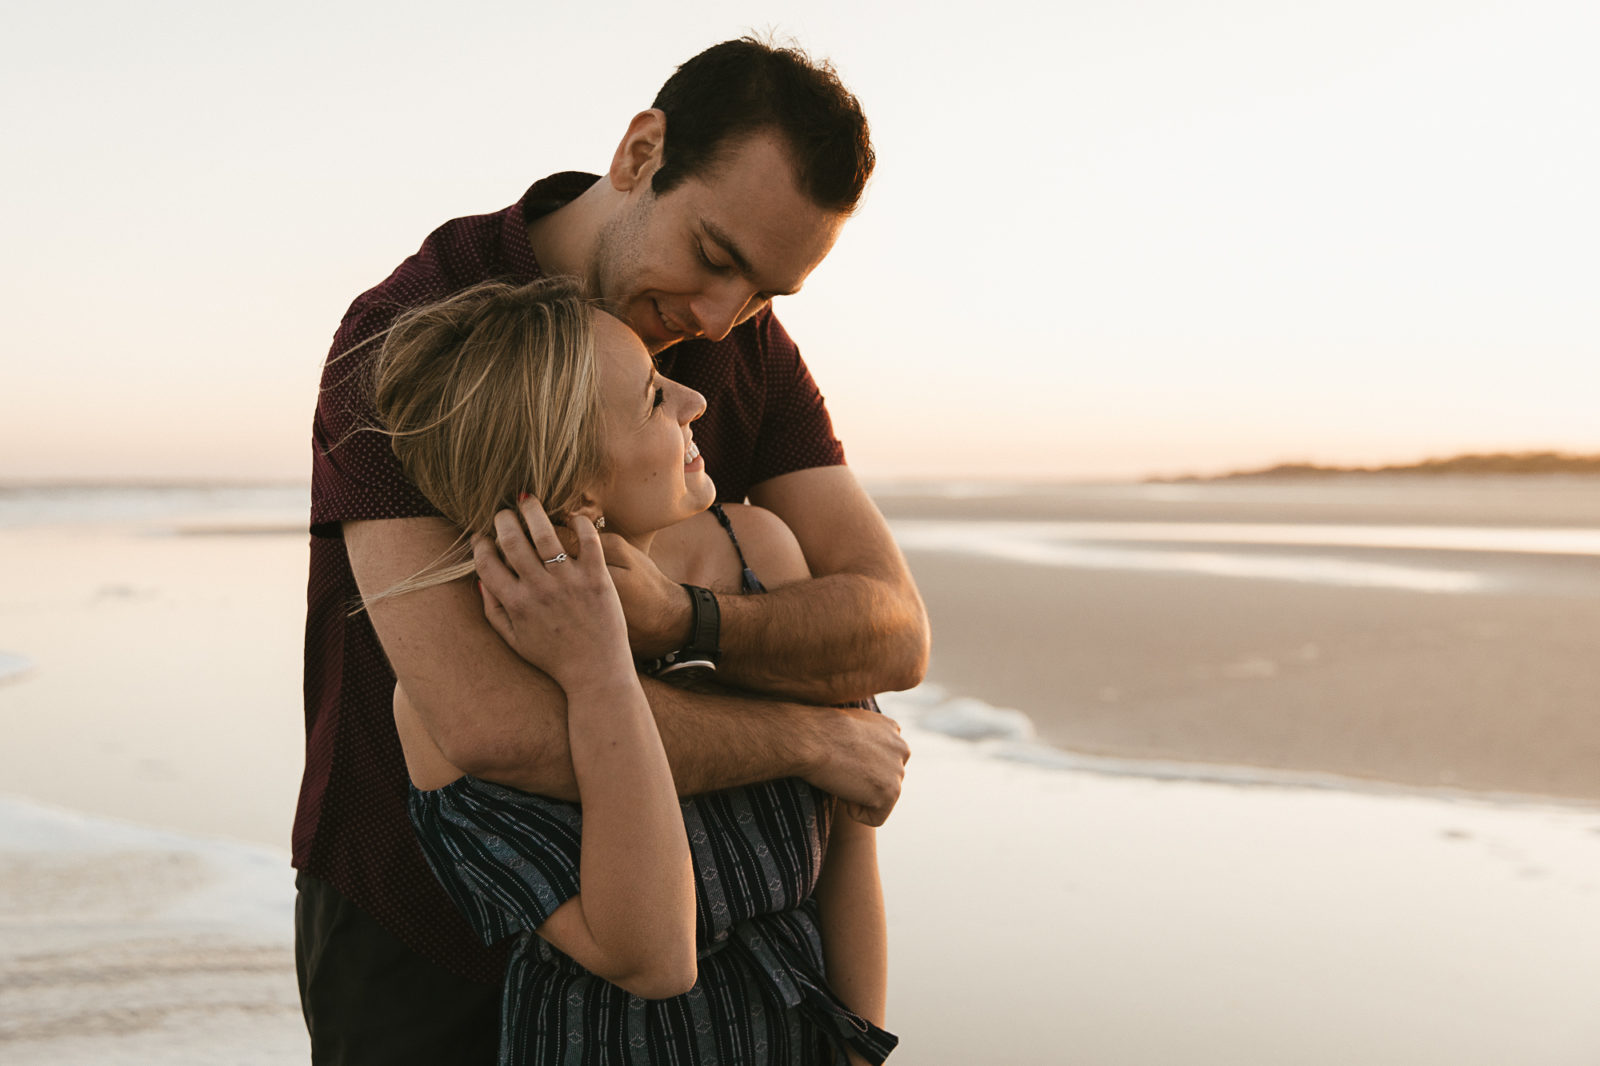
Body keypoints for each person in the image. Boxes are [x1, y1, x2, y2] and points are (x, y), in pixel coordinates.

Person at [297, 37, 926, 1063]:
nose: (724, 319)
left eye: (767, 290)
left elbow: (891, 632)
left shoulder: (732, 341)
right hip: (423, 927)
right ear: (640, 152)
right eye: (717, 257)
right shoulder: (412, 333)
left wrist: (688, 619)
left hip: (734, 957)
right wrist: (809, 742)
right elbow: (492, 722)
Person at [371, 276, 896, 1064]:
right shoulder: (451, 712)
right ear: (577, 481)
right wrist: (598, 674)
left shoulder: (760, 554)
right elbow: (655, 955)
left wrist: (861, 1049)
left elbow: (851, 828)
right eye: (654, 396)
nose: (695, 400)